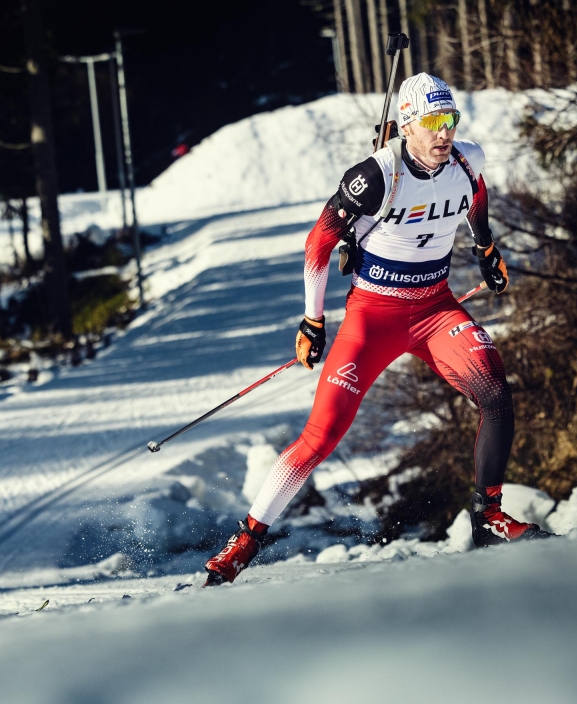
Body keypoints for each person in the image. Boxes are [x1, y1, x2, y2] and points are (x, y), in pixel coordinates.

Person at [204, 73, 547, 587]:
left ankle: (488, 517)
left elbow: (475, 198)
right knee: (320, 436)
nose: (444, 133)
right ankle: (245, 541)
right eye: (432, 122)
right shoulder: (375, 176)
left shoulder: (466, 159)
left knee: (495, 394)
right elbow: (318, 245)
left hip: (435, 308)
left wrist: (484, 247)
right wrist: (313, 319)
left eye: (449, 120)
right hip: (373, 316)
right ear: (406, 124)